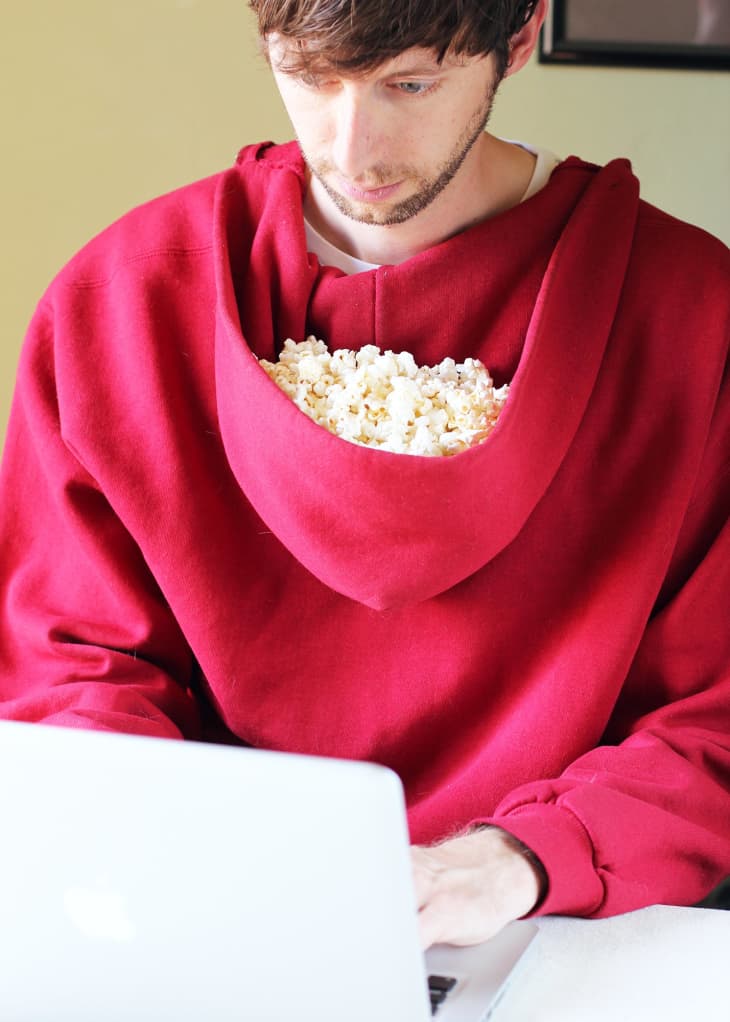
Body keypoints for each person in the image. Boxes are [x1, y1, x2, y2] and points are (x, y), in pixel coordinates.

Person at [0, 0, 728, 950]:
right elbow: (71, 667)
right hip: (210, 919)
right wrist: (185, 868)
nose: (355, 149)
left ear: (518, 37)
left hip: (572, 922)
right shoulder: (121, 302)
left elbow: (712, 714)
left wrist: (526, 856)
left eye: (410, 84)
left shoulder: (693, 320)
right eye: (310, 79)